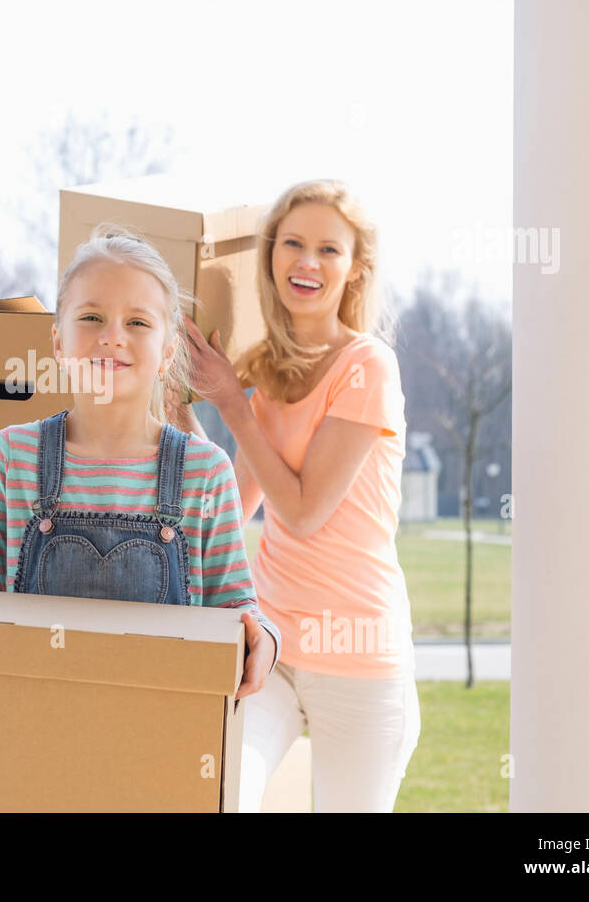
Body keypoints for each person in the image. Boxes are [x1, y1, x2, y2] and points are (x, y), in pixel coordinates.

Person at [0, 225, 279, 698]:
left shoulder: (205, 472)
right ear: (57, 341)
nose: (112, 337)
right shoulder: (11, 455)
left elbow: (235, 606)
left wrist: (265, 641)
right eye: (91, 317)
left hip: (159, 724)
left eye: (138, 323)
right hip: (28, 718)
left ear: (168, 350)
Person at [180, 179, 420, 812]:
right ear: (271, 257)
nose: (307, 262)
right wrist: (174, 405)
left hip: (360, 657)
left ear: (355, 269)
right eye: (292, 243)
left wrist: (231, 402)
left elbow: (305, 511)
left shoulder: (368, 365)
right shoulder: (265, 369)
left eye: (328, 250)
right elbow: (233, 505)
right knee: (218, 795)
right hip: (275, 648)